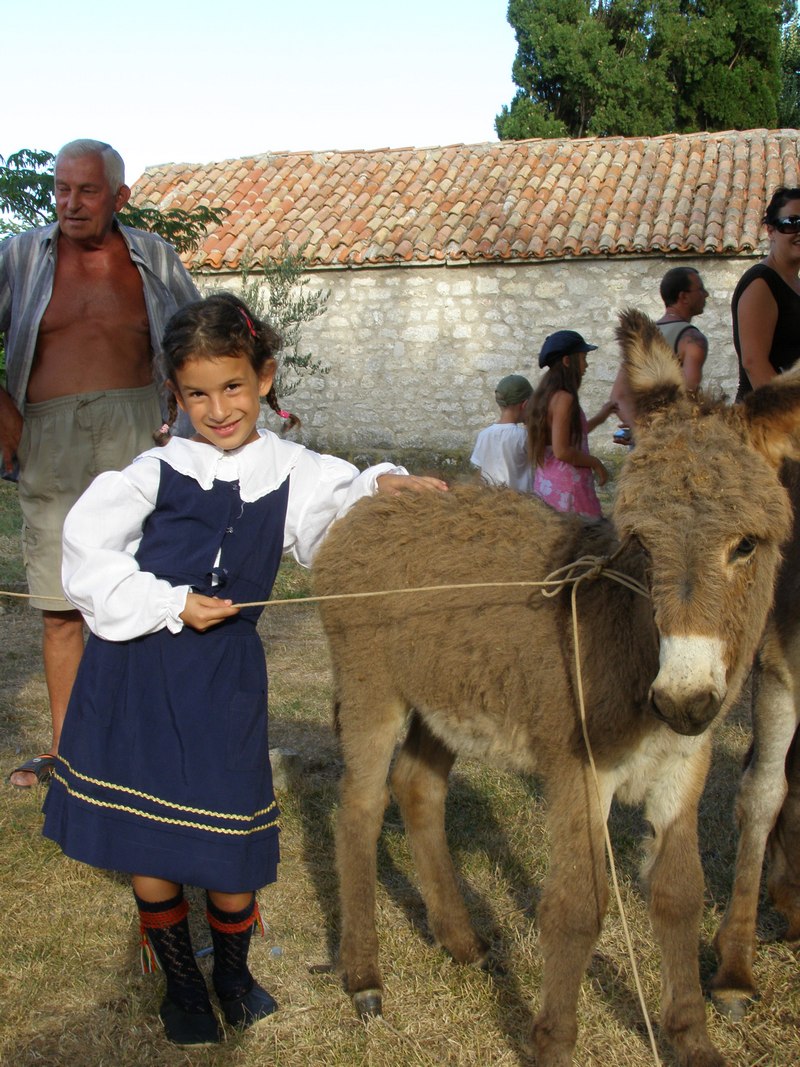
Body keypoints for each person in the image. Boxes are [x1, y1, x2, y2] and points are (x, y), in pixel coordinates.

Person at [41, 292, 446, 1045]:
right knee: (149, 834)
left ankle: (233, 966)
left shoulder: (292, 469)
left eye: (232, 386)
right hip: (140, 666)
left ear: (264, 376)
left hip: (224, 677)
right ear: (176, 393)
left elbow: (342, 506)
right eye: (196, 392)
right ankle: (182, 979)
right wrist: (167, 602)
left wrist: (383, 482)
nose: (217, 407)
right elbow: (85, 553)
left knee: (233, 840)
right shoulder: (154, 471)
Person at [0, 139, 200, 788]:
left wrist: (187, 419)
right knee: (61, 606)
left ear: (119, 197)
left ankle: (145, 749)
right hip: (48, 437)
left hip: (137, 437)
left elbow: (200, 336)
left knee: (142, 595)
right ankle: (70, 756)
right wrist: (9, 422)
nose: (69, 203)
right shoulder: (21, 256)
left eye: (86, 191)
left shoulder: (154, 258)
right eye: (61, 189)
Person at [609, 265, 708, 443]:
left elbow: (618, 397)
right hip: (675, 445)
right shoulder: (691, 339)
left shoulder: (642, 337)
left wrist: (640, 431)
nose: (706, 294)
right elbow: (687, 397)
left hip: (644, 444)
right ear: (683, 296)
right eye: (700, 289)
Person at [527, 330, 615, 518]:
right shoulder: (564, 399)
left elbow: (571, 435)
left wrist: (601, 416)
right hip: (568, 490)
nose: (586, 365)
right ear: (567, 361)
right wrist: (595, 463)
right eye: (583, 358)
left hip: (548, 484)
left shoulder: (547, 396)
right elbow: (563, 450)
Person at [732, 186, 800, 399]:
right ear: (770, 230)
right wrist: (791, 420)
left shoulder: (793, 283)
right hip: (766, 422)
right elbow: (754, 363)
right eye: (792, 223)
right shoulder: (761, 283)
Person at [470, 373, 533, 491]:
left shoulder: (484, 435)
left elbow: (479, 470)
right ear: (525, 404)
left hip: (492, 501)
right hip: (521, 503)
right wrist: (530, 422)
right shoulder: (524, 436)